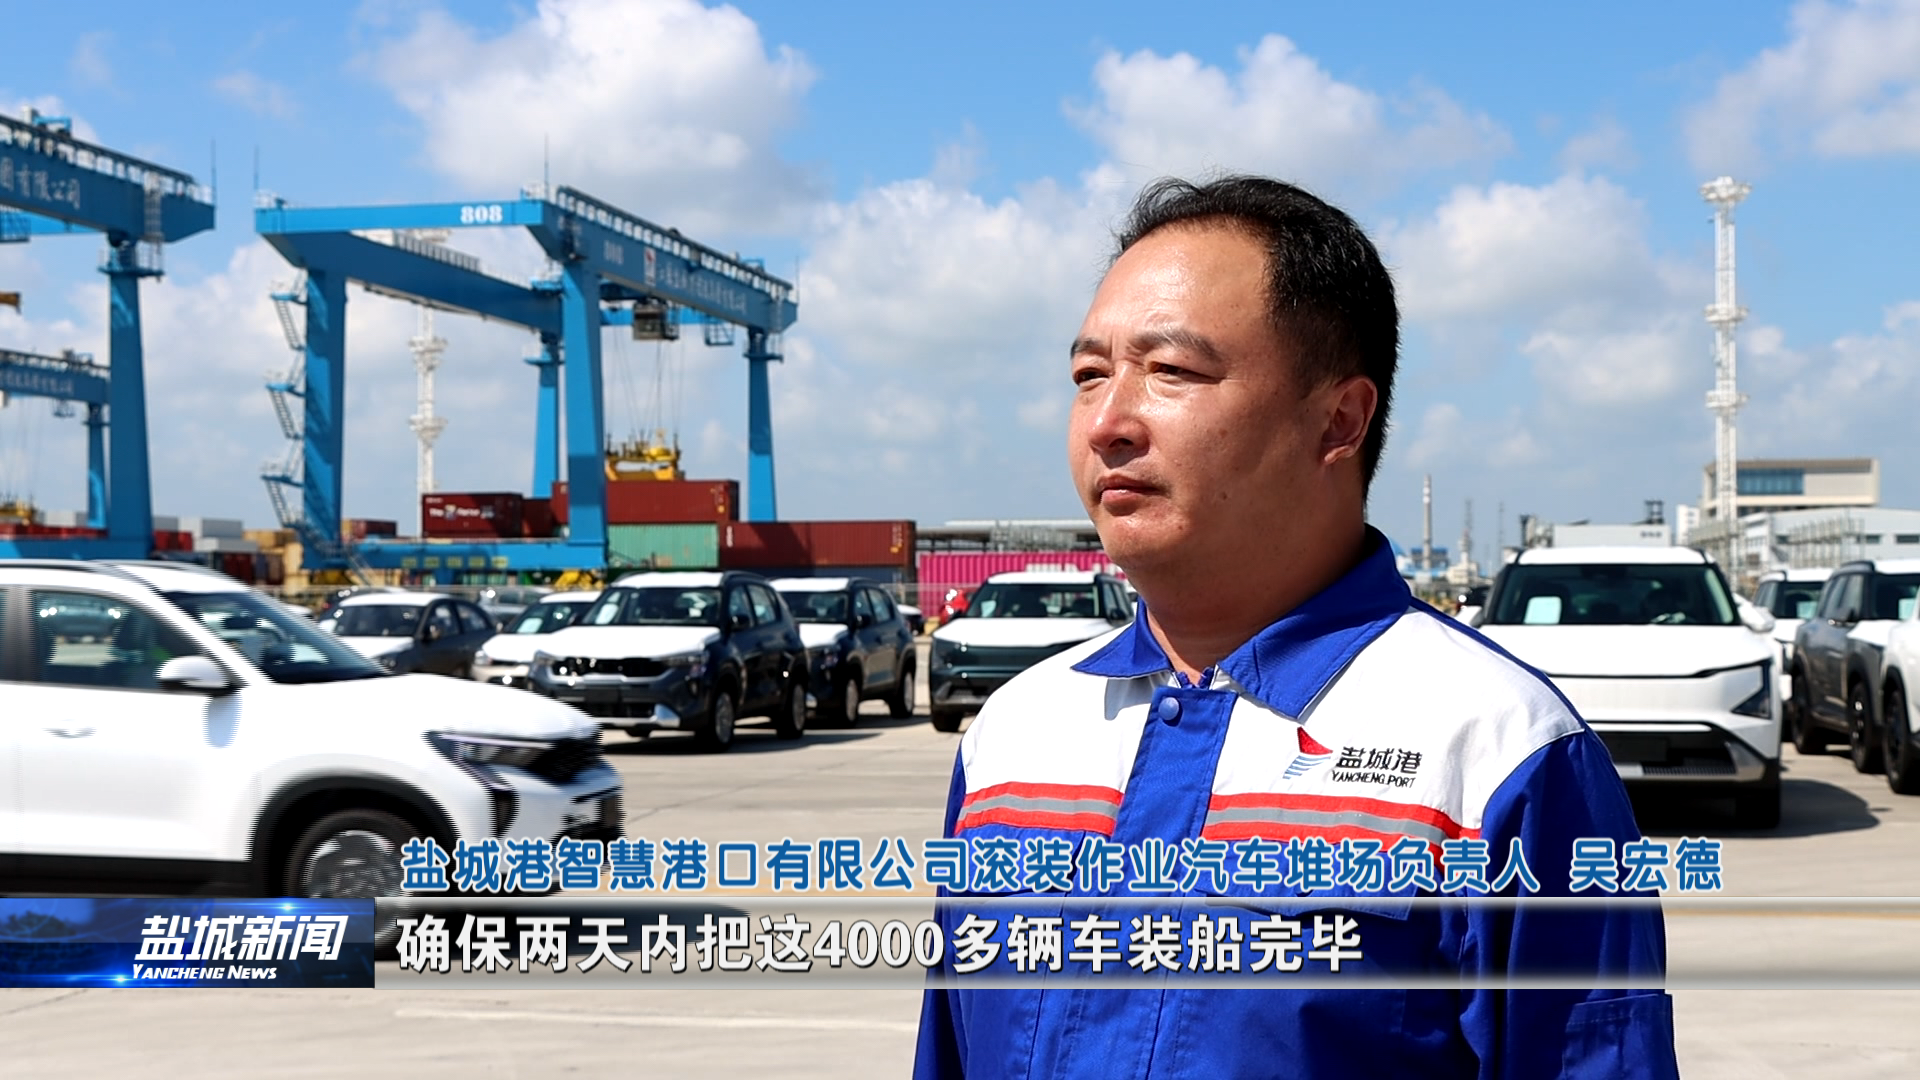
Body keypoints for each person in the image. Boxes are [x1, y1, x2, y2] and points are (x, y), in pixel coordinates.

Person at [913, 175, 1678, 1079]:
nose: (1109, 423)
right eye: (1089, 376)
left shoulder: (1499, 749)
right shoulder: (1014, 735)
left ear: (1338, 420)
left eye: (1171, 372)